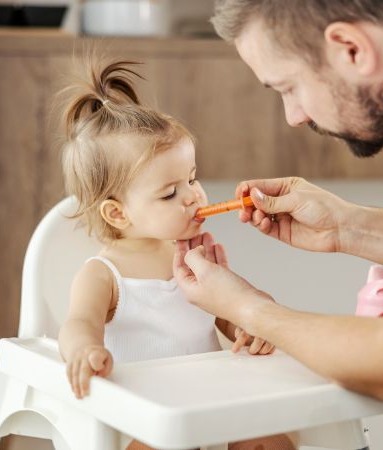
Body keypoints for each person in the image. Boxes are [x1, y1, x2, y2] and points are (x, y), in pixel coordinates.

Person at [173, 0, 383, 414]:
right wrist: (347, 227)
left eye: (288, 87)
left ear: (351, 48)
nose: (293, 116)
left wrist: (246, 308)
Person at [56, 57, 294, 450]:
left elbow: (231, 313)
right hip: (144, 418)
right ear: (118, 213)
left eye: (192, 178)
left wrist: (249, 331)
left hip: (210, 403)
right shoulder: (103, 274)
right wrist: (84, 350)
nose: (193, 196)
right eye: (170, 193)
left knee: (270, 440)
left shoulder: (195, 257)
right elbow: (78, 322)